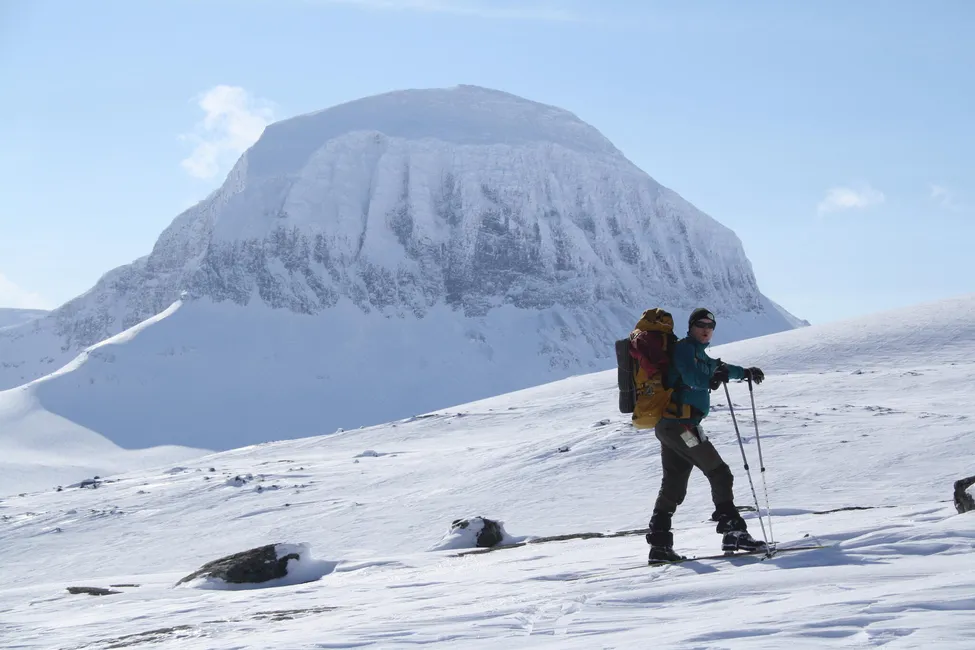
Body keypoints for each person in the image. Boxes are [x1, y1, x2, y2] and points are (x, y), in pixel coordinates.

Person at [646, 307, 767, 564]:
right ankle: (733, 531)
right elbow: (691, 376)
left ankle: (659, 546)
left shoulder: (700, 354)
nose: (705, 329)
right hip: (682, 427)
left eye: (710, 326)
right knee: (719, 472)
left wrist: (744, 372)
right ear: (691, 327)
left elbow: (720, 367)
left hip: (672, 427)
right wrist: (710, 380)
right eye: (701, 324)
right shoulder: (684, 349)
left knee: (673, 485)